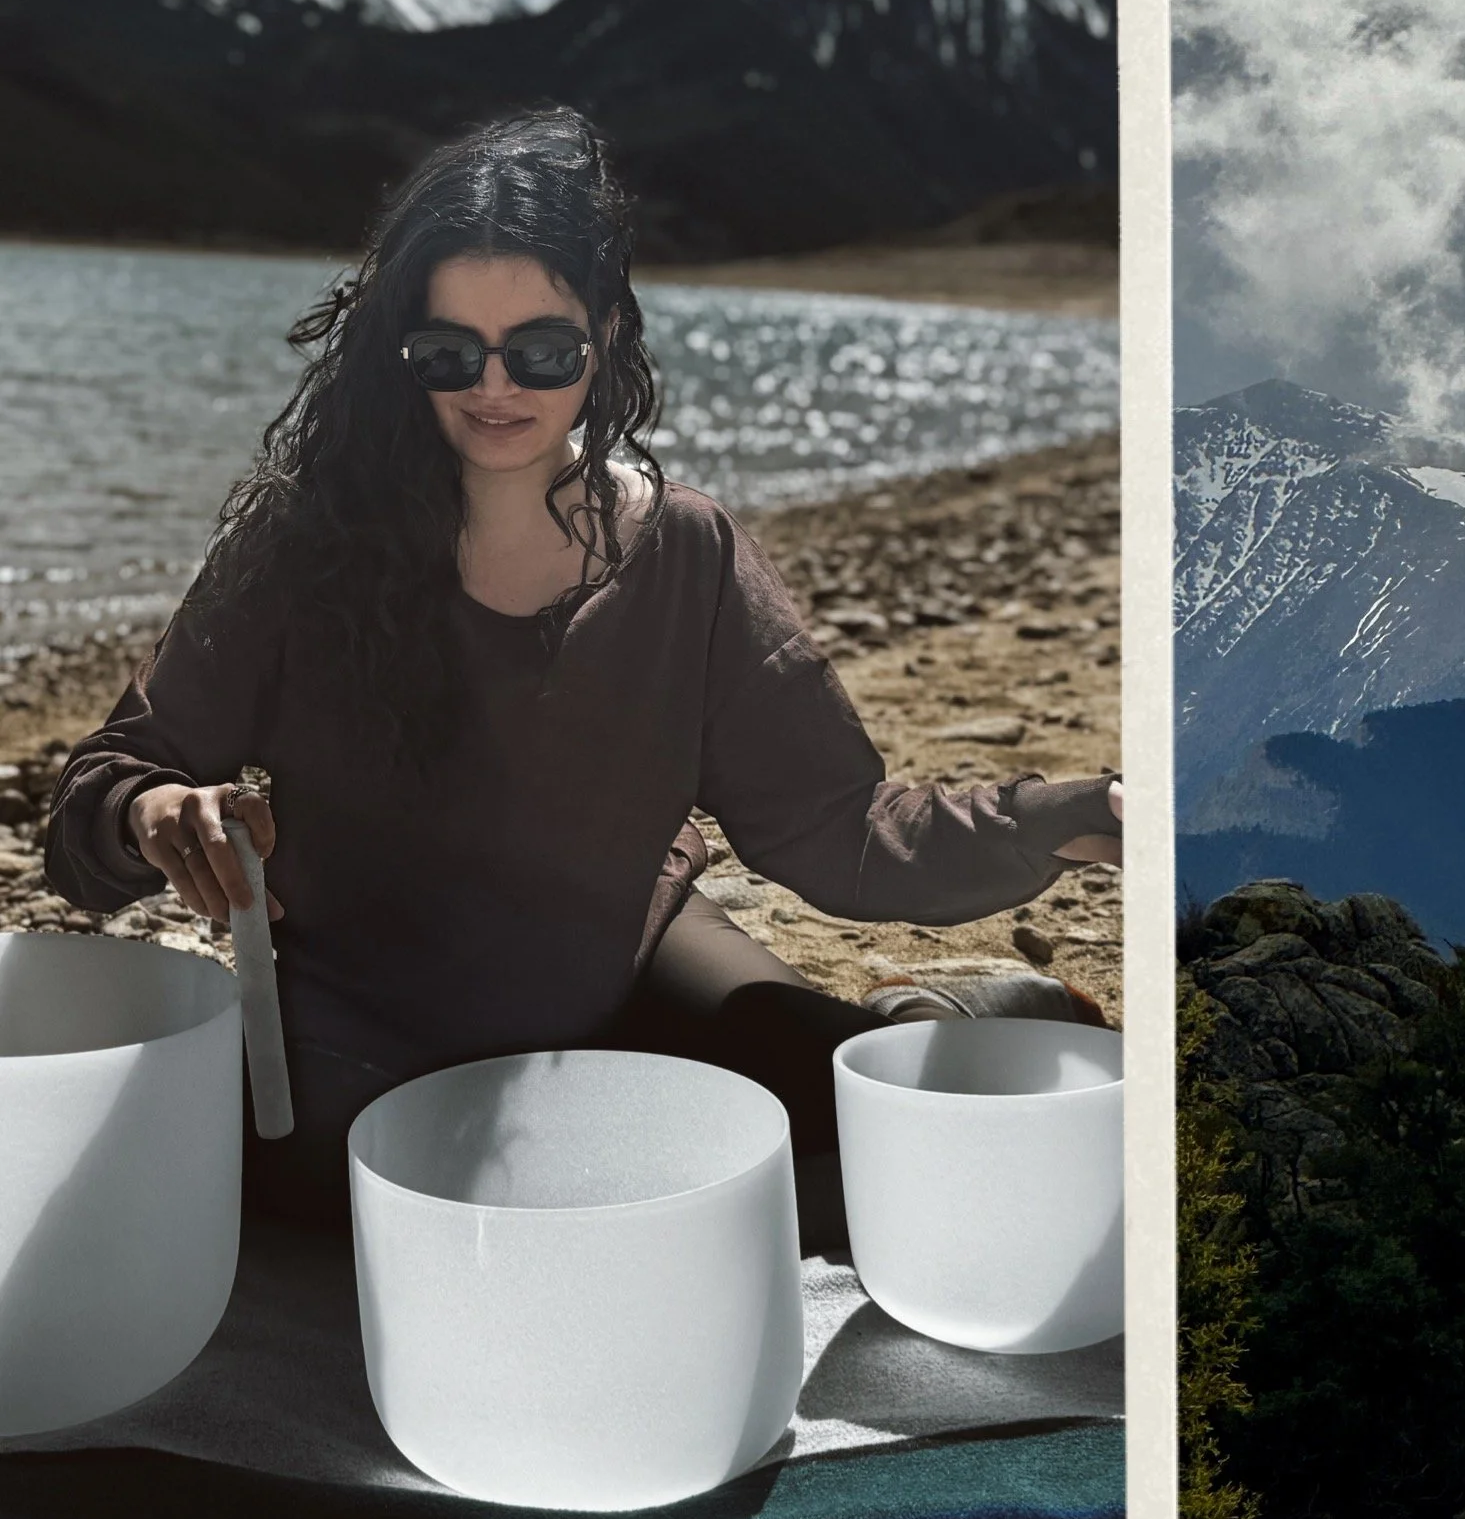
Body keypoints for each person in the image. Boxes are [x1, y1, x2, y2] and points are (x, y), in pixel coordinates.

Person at [43, 109, 1122, 1234]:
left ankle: (933, 1013)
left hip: (628, 960)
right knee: (325, 1204)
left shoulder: (689, 556)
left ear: (605, 333)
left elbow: (842, 830)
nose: (495, 387)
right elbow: (99, 796)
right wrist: (159, 813)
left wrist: (1064, 816)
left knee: (894, 1151)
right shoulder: (297, 549)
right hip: (363, 1022)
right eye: (450, 352)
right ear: (400, 350)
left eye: (542, 350)